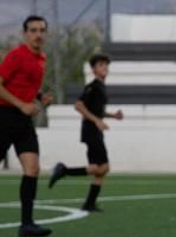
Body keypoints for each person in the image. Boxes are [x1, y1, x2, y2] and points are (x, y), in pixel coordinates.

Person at [0, 16, 56, 237]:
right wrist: (22, 104)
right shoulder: (16, 56)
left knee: (32, 169)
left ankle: (27, 224)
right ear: (25, 33)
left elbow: (26, 84)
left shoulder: (41, 57)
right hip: (4, 116)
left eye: (42, 30)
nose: (38, 34)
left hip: (23, 121)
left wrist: (40, 96)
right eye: (33, 30)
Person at [49, 53, 124, 212]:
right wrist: (96, 121)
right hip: (91, 131)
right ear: (93, 69)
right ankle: (64, 170)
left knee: (98, 170)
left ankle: (89, 203)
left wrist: (112, 116)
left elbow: (96, 110)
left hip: (95, 131)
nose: (104, 68)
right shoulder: (93, 87)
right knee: (103, 168)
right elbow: (78, 105)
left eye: (105, 65)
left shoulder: (101, 87)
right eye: (100, 65)